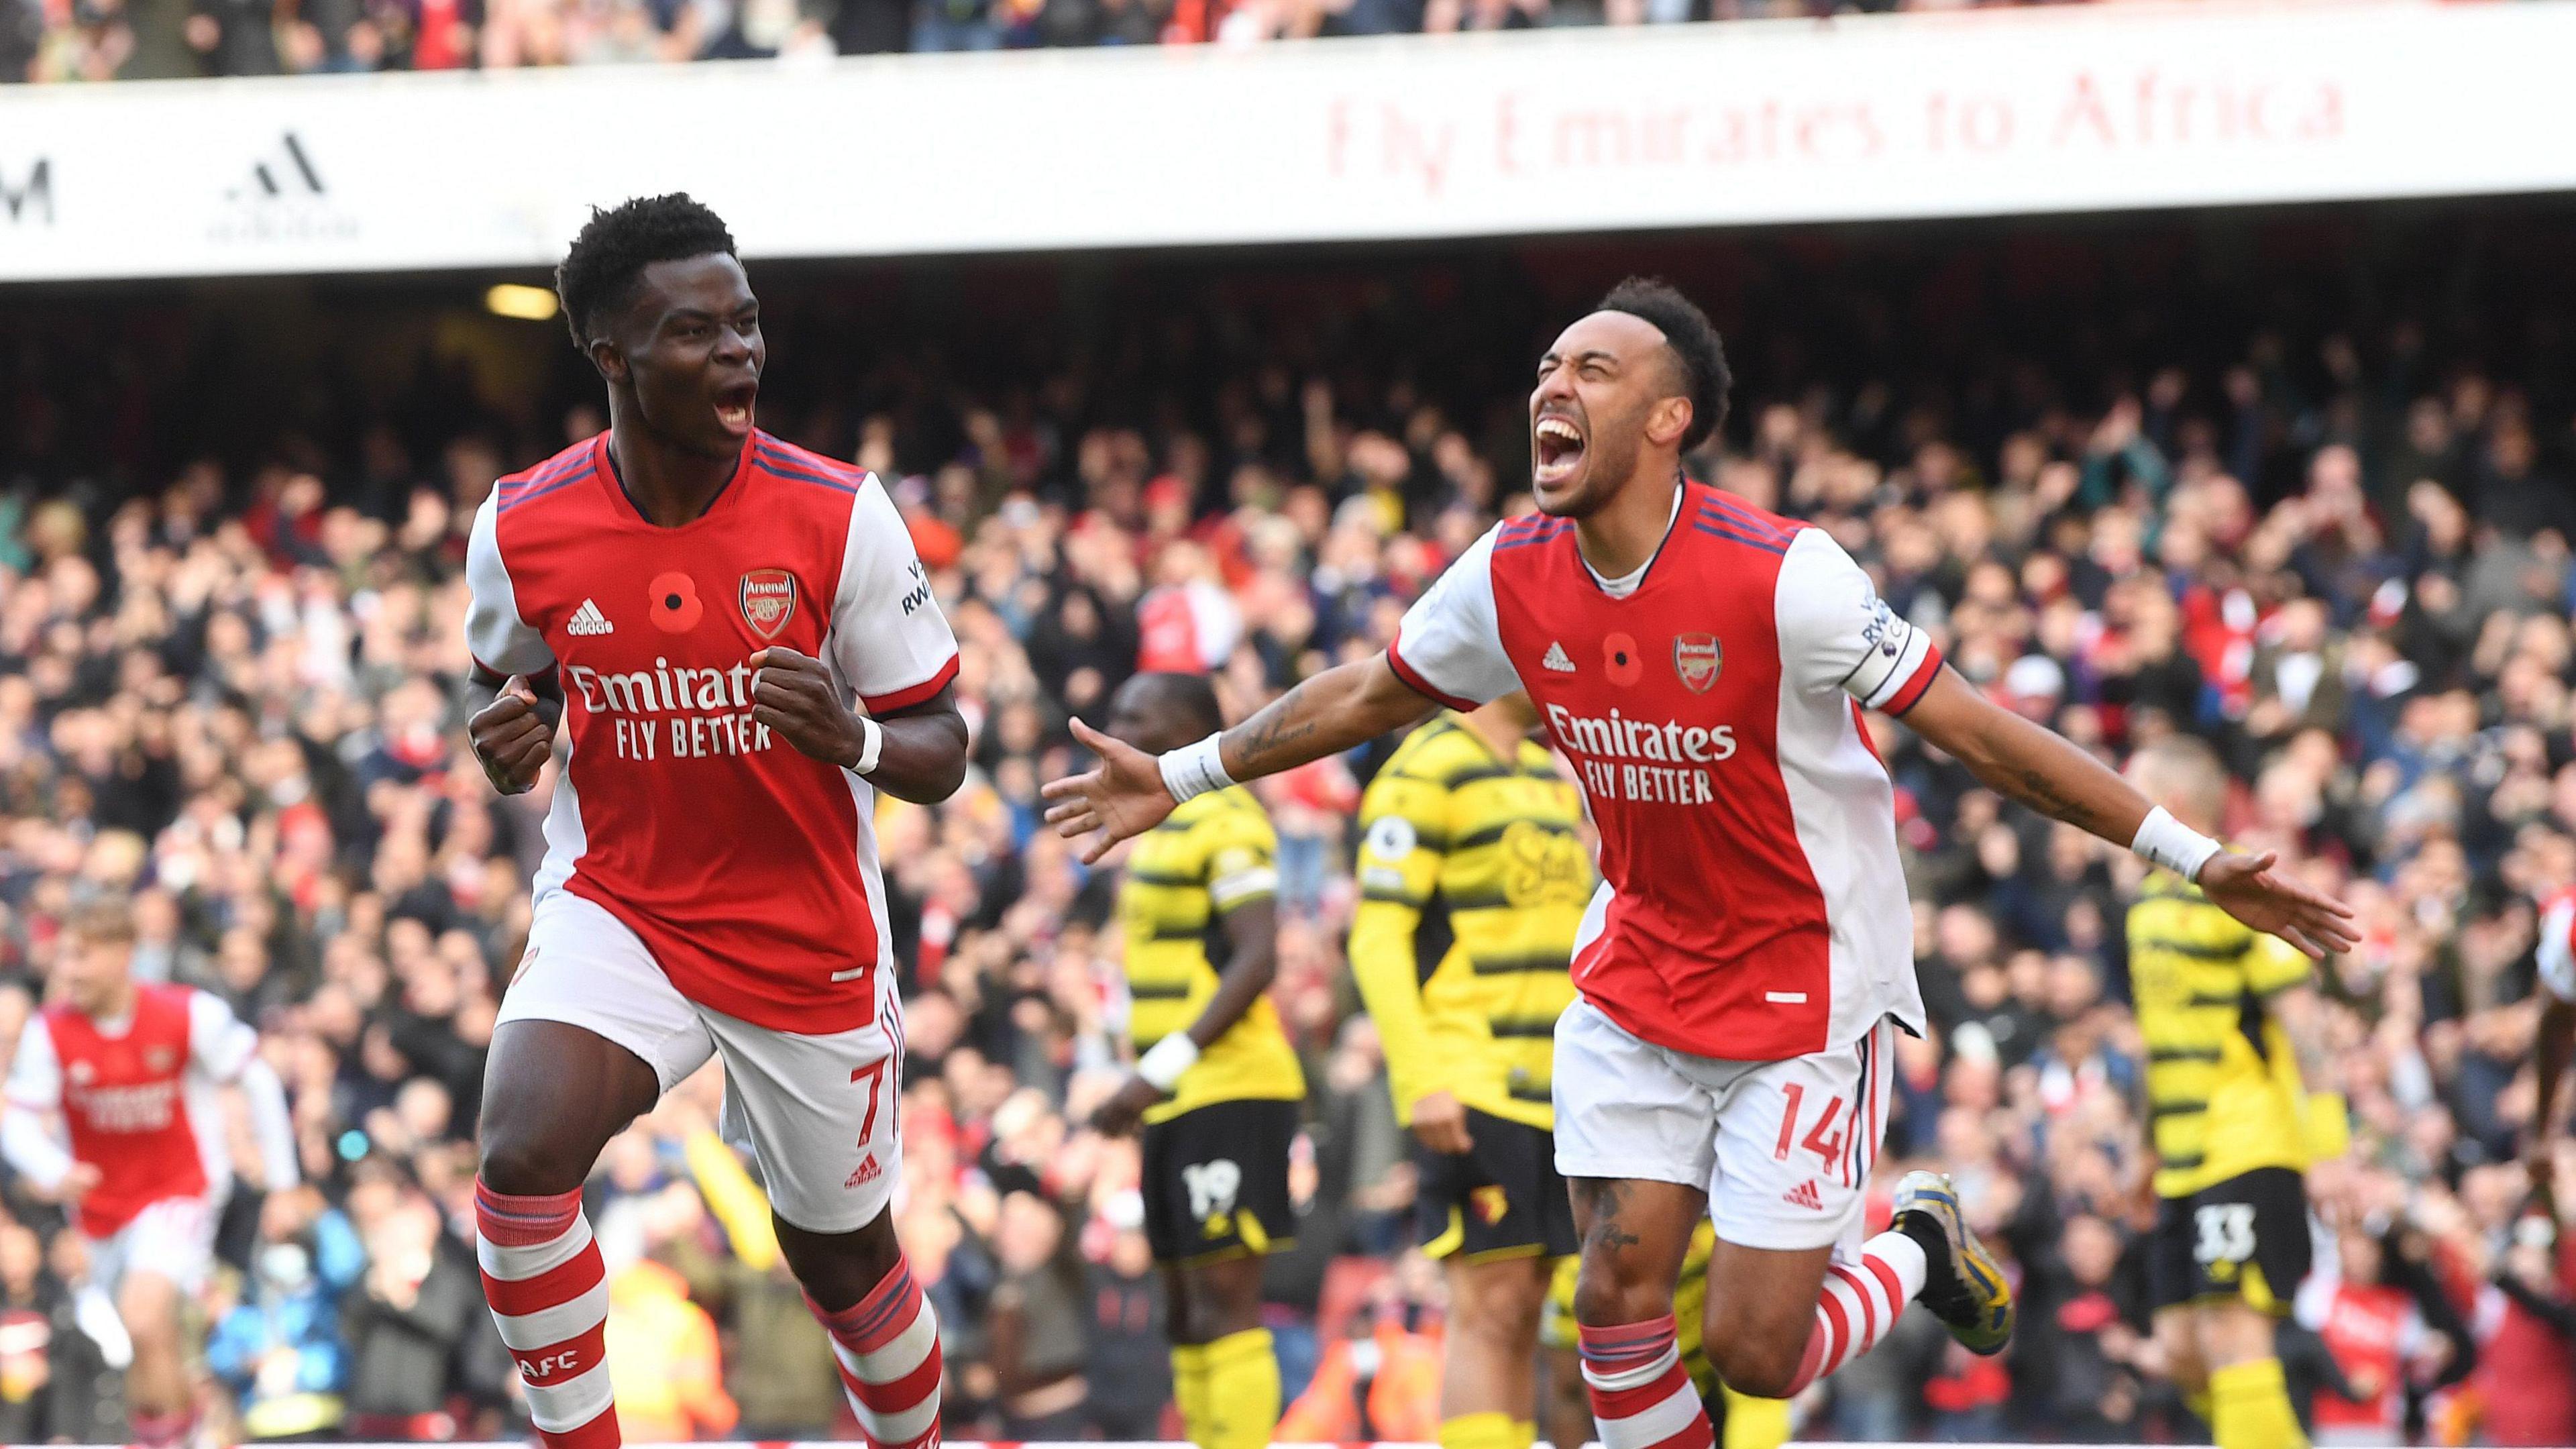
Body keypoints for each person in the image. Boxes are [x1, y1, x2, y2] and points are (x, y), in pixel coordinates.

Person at [1045, 276, 2359, 1447]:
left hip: (1805, 989)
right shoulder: (1509, 573)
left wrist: (2189, 856)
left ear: (1671, 420)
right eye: (1546, 372)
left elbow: (1980, 736)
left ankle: (1913, 1240)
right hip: (1637, 983)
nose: (1552, 388)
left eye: (1593, 371)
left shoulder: (1789, 579)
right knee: (1613, 1302)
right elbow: (1368, 694)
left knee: (1752, 1353)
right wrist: (1181, 772)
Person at [460, 193, 969, 1449]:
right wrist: (507, 733)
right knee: (522, 1153)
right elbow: (503, 686)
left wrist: (849, 736)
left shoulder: (838, 513)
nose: (738, 352)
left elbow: (943, 749)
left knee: (840, 1261)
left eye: (746, 325)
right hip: (620, 900)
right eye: (696, 332)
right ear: (611, 358)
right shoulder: (521, 525)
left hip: (805, 933)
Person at [1348, 693, 1594, 1449]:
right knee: (1488, 1309)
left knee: (1530, 1309)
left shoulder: (1547, 775)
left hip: (1563, 1091)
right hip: (1472, 1081)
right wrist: (1421, 1079)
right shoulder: (1425, 768)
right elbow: (1376, 936)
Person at [1085, 670, 1303, 1449]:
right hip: (1177, 1095)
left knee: (1223, 1301)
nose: (1118, 726)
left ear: (1190, 726)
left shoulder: (1226, 816)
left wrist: (1157, 1069)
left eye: (1135, 715)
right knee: (1181, 1309)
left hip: (1230, 1089)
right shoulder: (1167, 826)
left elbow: (1259, 960)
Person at [0, 899, 301, 1446]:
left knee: (143, 1315)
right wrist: (54, 1168)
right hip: (100, 1207)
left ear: (122, 955)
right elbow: (15, 1120)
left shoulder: (188, 1013)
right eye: (64, 956)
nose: (66, 970)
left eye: (80, 956)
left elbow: (258, 1080)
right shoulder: (51, 1032)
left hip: (180, 1190)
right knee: (146, 1338)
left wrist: (283, 1183)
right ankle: (179, 1432)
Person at [2130, 737, 2345, 1449]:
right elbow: (2160, 1041)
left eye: (2129, 790)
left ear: (2174, 809)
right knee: (2179, 1344)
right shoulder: (2146, 905)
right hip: (2181, 1157)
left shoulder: (2240, 886)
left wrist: (2332, 1149)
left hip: (2246, 1143)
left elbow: (2302, 1025)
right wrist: (2143, 1150)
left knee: (2231, 1331)